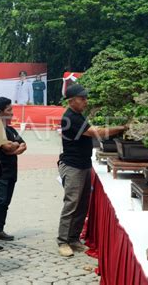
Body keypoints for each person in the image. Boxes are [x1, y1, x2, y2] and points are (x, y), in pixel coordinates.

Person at [57, 84, 127, 257]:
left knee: (82, 204)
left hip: (83, 164)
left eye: (85, 98)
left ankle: (73, 238)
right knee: (72, 203)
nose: (85, 102)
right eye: (82, 99)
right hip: (72, 165)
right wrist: (122, 127)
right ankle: (63, 241)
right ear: (71, 100)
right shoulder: (70, 118)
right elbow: (98, 132)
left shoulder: (79, 115)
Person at [0, 97, 27, 241]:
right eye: (9, 110)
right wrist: (13, 146)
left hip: (11, 170)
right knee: (0, 200)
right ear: (0, 111)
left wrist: (13, 147)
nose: (12, 112)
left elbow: (23, 145)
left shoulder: (10, 128)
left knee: (5, 202)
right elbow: (6, 147)